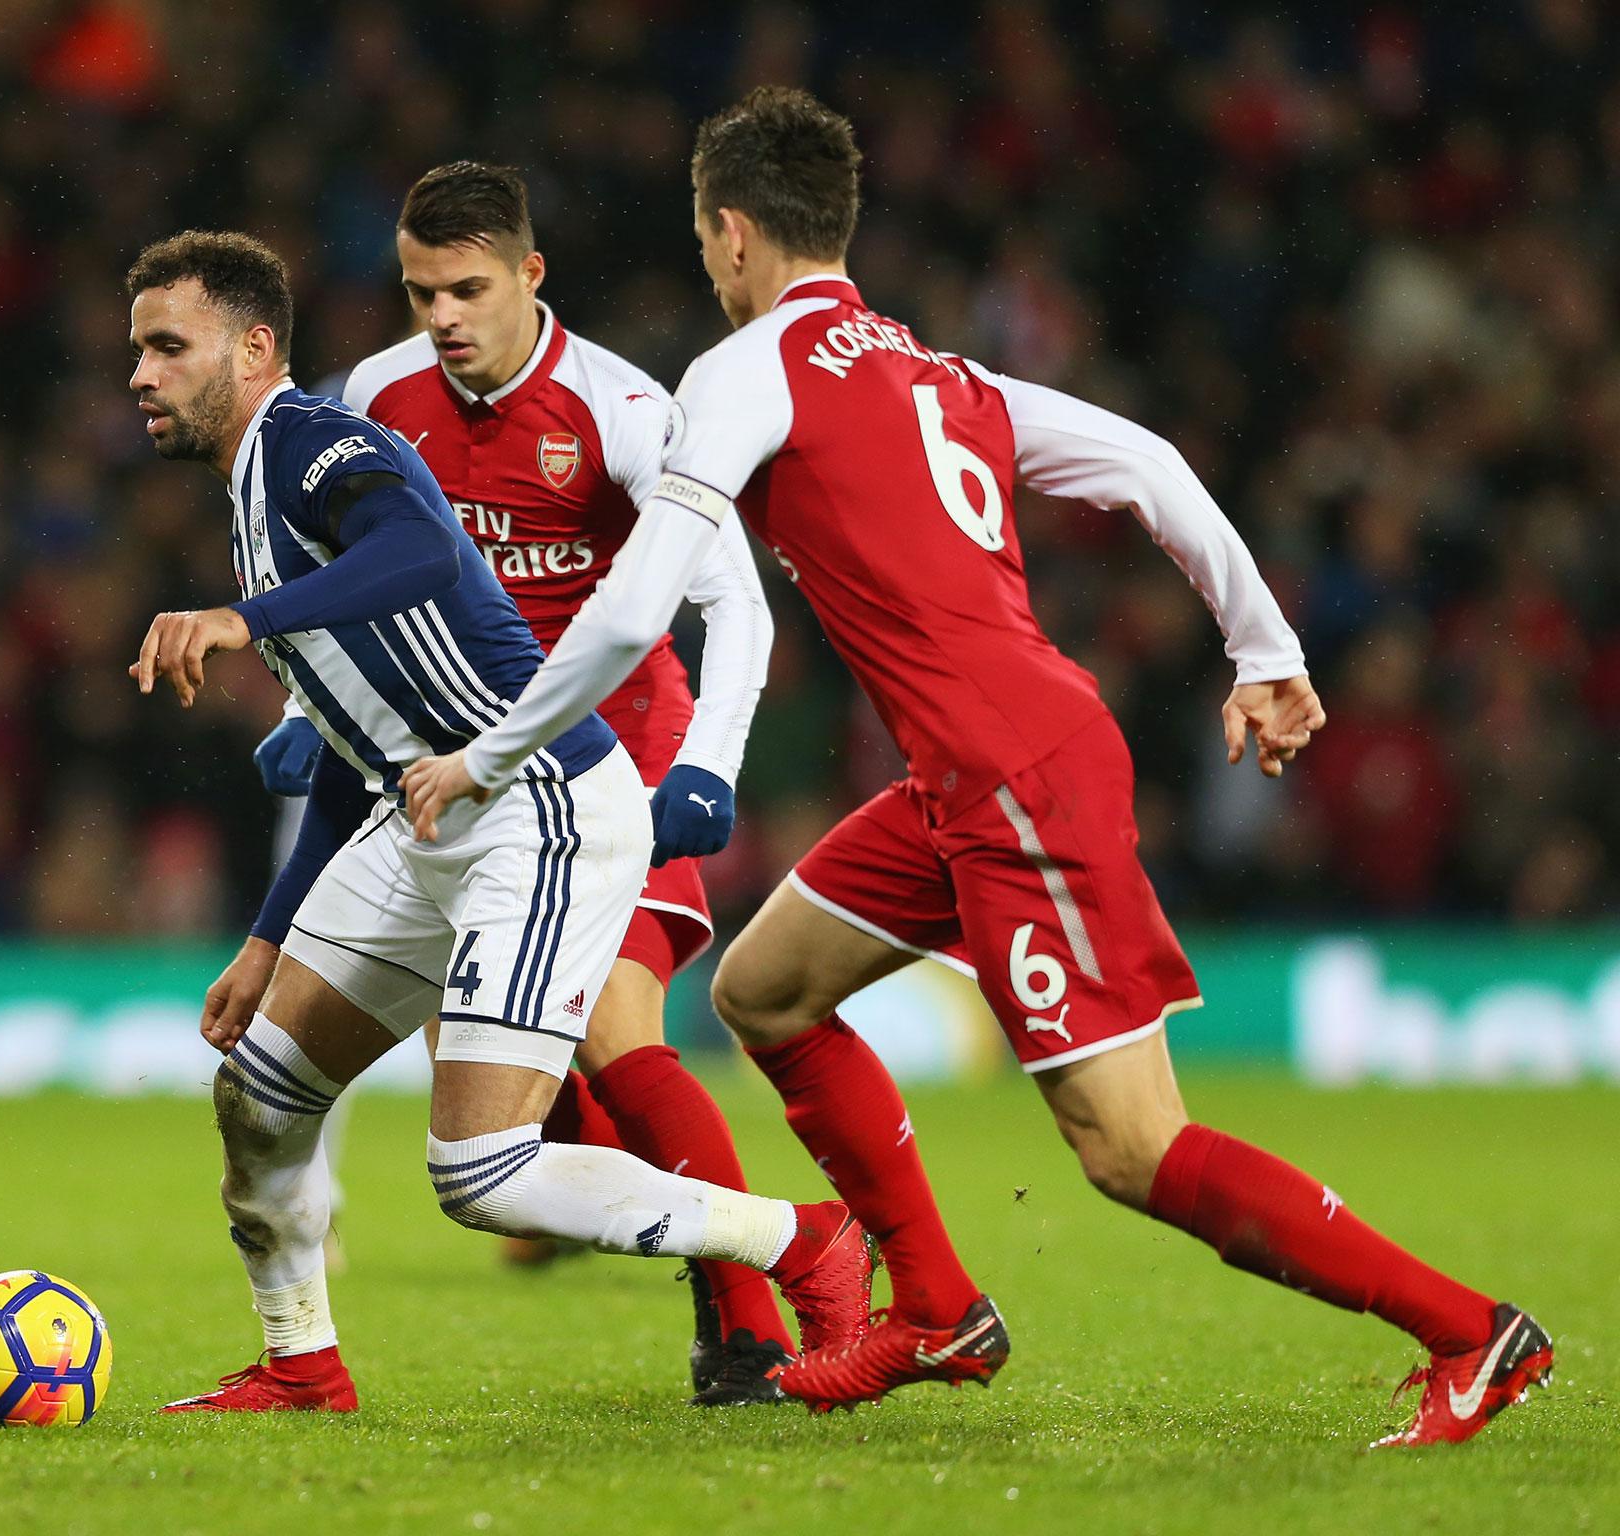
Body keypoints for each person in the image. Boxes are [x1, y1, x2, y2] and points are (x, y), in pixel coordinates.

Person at [398, 89, 1551, 1448]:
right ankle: (936, 1305)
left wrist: (490, 753)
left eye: (709, 240)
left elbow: (641, 607)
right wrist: (1262, 646)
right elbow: (1152, 465)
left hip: (1017, 777)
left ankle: (1471, 1335)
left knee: (1130, 1148)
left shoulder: (745, 368)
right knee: (766, 992)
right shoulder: (942, 373)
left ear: (728, 231)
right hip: (966, 776)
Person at [120, 228, 871, 1414]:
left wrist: (239, 618)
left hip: (540, 808)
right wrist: (268, 939)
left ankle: (804, 1238)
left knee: (480, 1172)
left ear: (254, 348)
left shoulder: (312, 442)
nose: (141, 375)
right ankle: (301, 1366)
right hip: (416, 813)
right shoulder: (253, 496)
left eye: (168, 347)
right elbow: (343, 745)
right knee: (259, 1090)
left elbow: (420, 547)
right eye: (138, 352)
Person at [251, 160, 793, 1405]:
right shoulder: (376, 397)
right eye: (418, 290)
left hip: (617, 763)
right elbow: (342, 576)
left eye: (466, 288)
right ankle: (673, 1226)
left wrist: (707, 763)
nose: (440, 315)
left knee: (615, 1035)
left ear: (529, 276)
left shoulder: (619, 409)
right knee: (498, 1123)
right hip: (458, 774)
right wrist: (300, 707)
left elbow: (734, 605)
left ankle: (751, 1318)